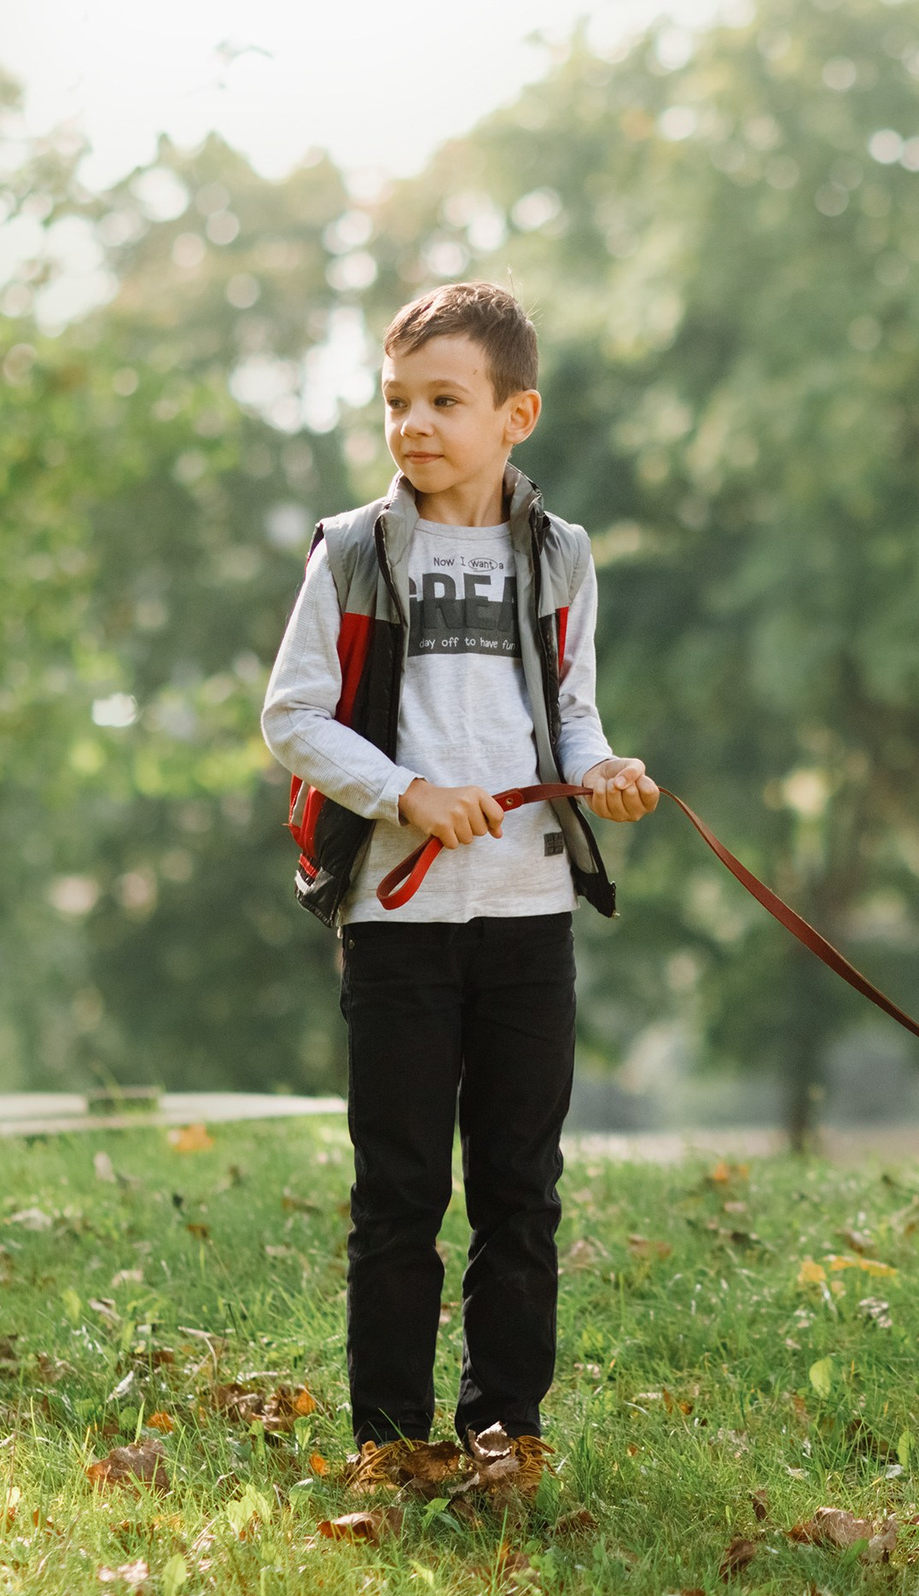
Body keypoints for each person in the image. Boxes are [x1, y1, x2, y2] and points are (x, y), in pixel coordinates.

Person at [260, 281, 660, 1492]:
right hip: (399, 921)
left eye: (444, 401)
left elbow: (572, 713)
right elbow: (292, 717)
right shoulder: (350, 550)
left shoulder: (561, 555)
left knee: (519, 1190)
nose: (413, 425)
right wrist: (406, 794)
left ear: (514, 414)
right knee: (398, 1190)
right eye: (397, 401)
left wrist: (603, 772)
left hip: (528, 917)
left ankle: (504, 1432)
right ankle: (388, 1441)